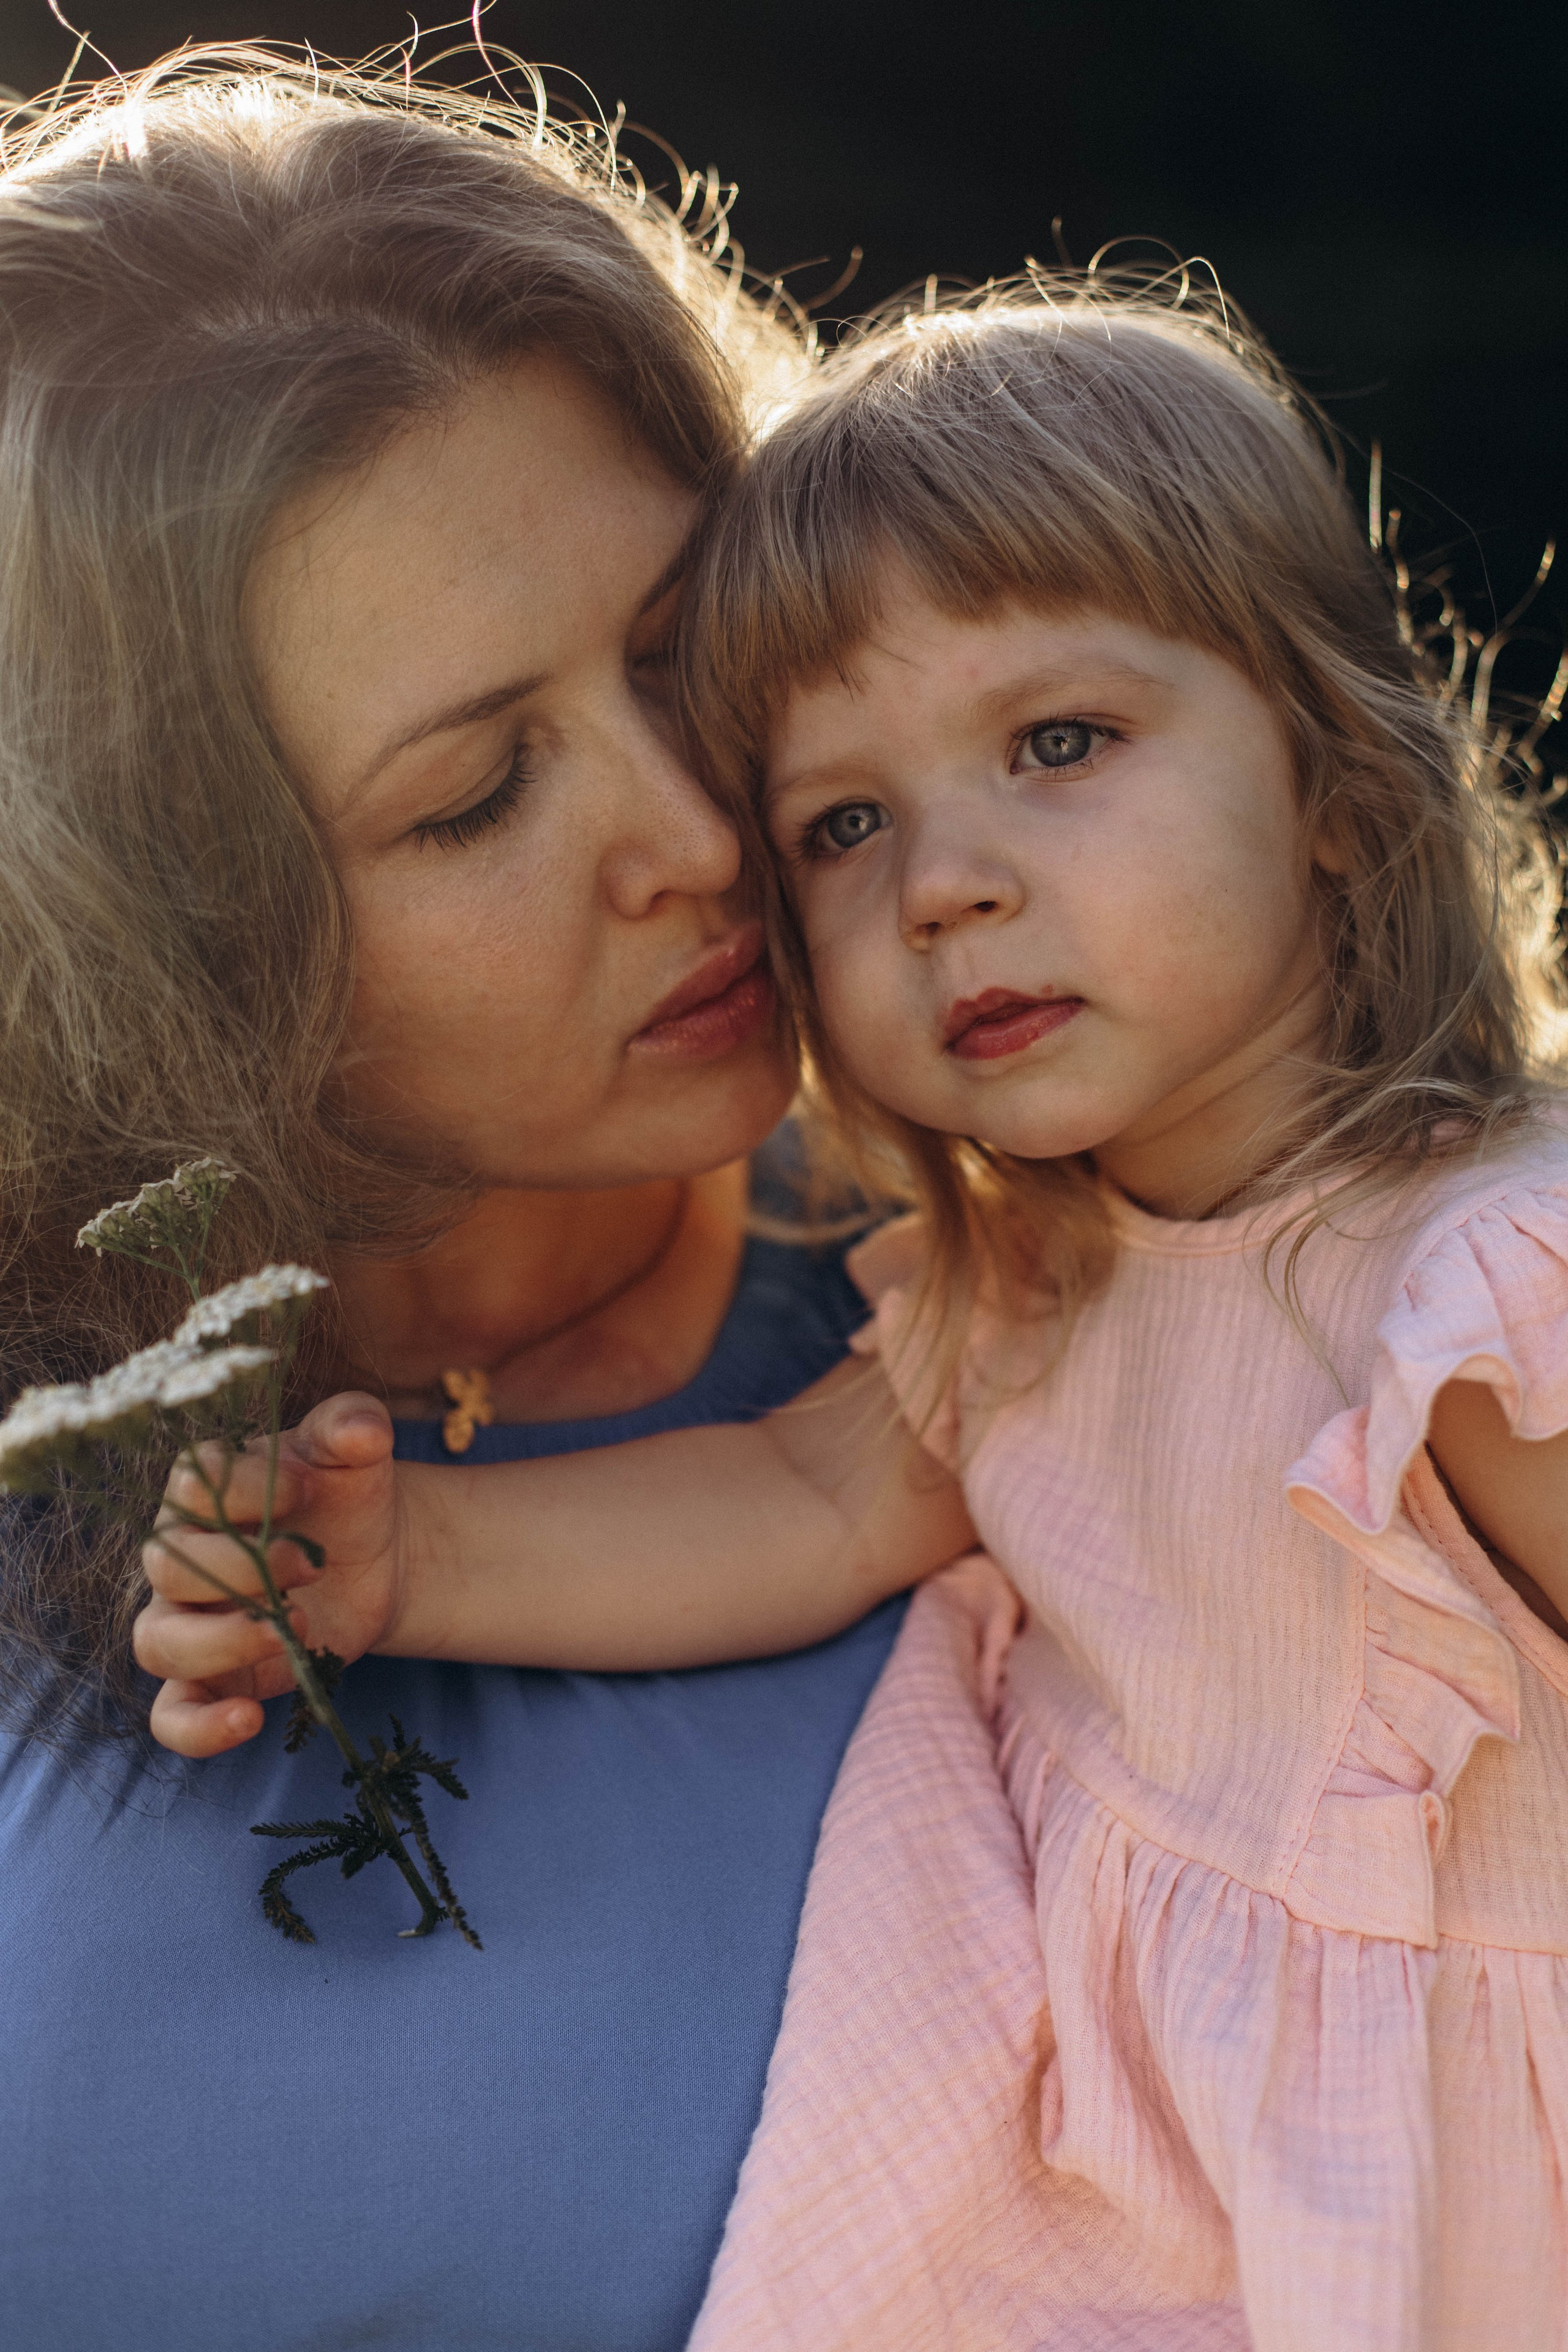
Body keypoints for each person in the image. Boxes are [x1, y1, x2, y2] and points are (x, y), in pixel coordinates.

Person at [147, 287, 1568, 2348]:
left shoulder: (1479, 1293)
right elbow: (800, 1504)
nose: (943, 887)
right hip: (1137, 2181)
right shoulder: (1039, 1279)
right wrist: (405, 1554)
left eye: (1059, 744)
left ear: (1335, 779)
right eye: (843, 824)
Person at [0, 50, 918, 2352]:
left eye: (678, 642)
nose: (697, 831)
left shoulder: (1083, 1290)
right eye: (480, 789)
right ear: (162, 944)